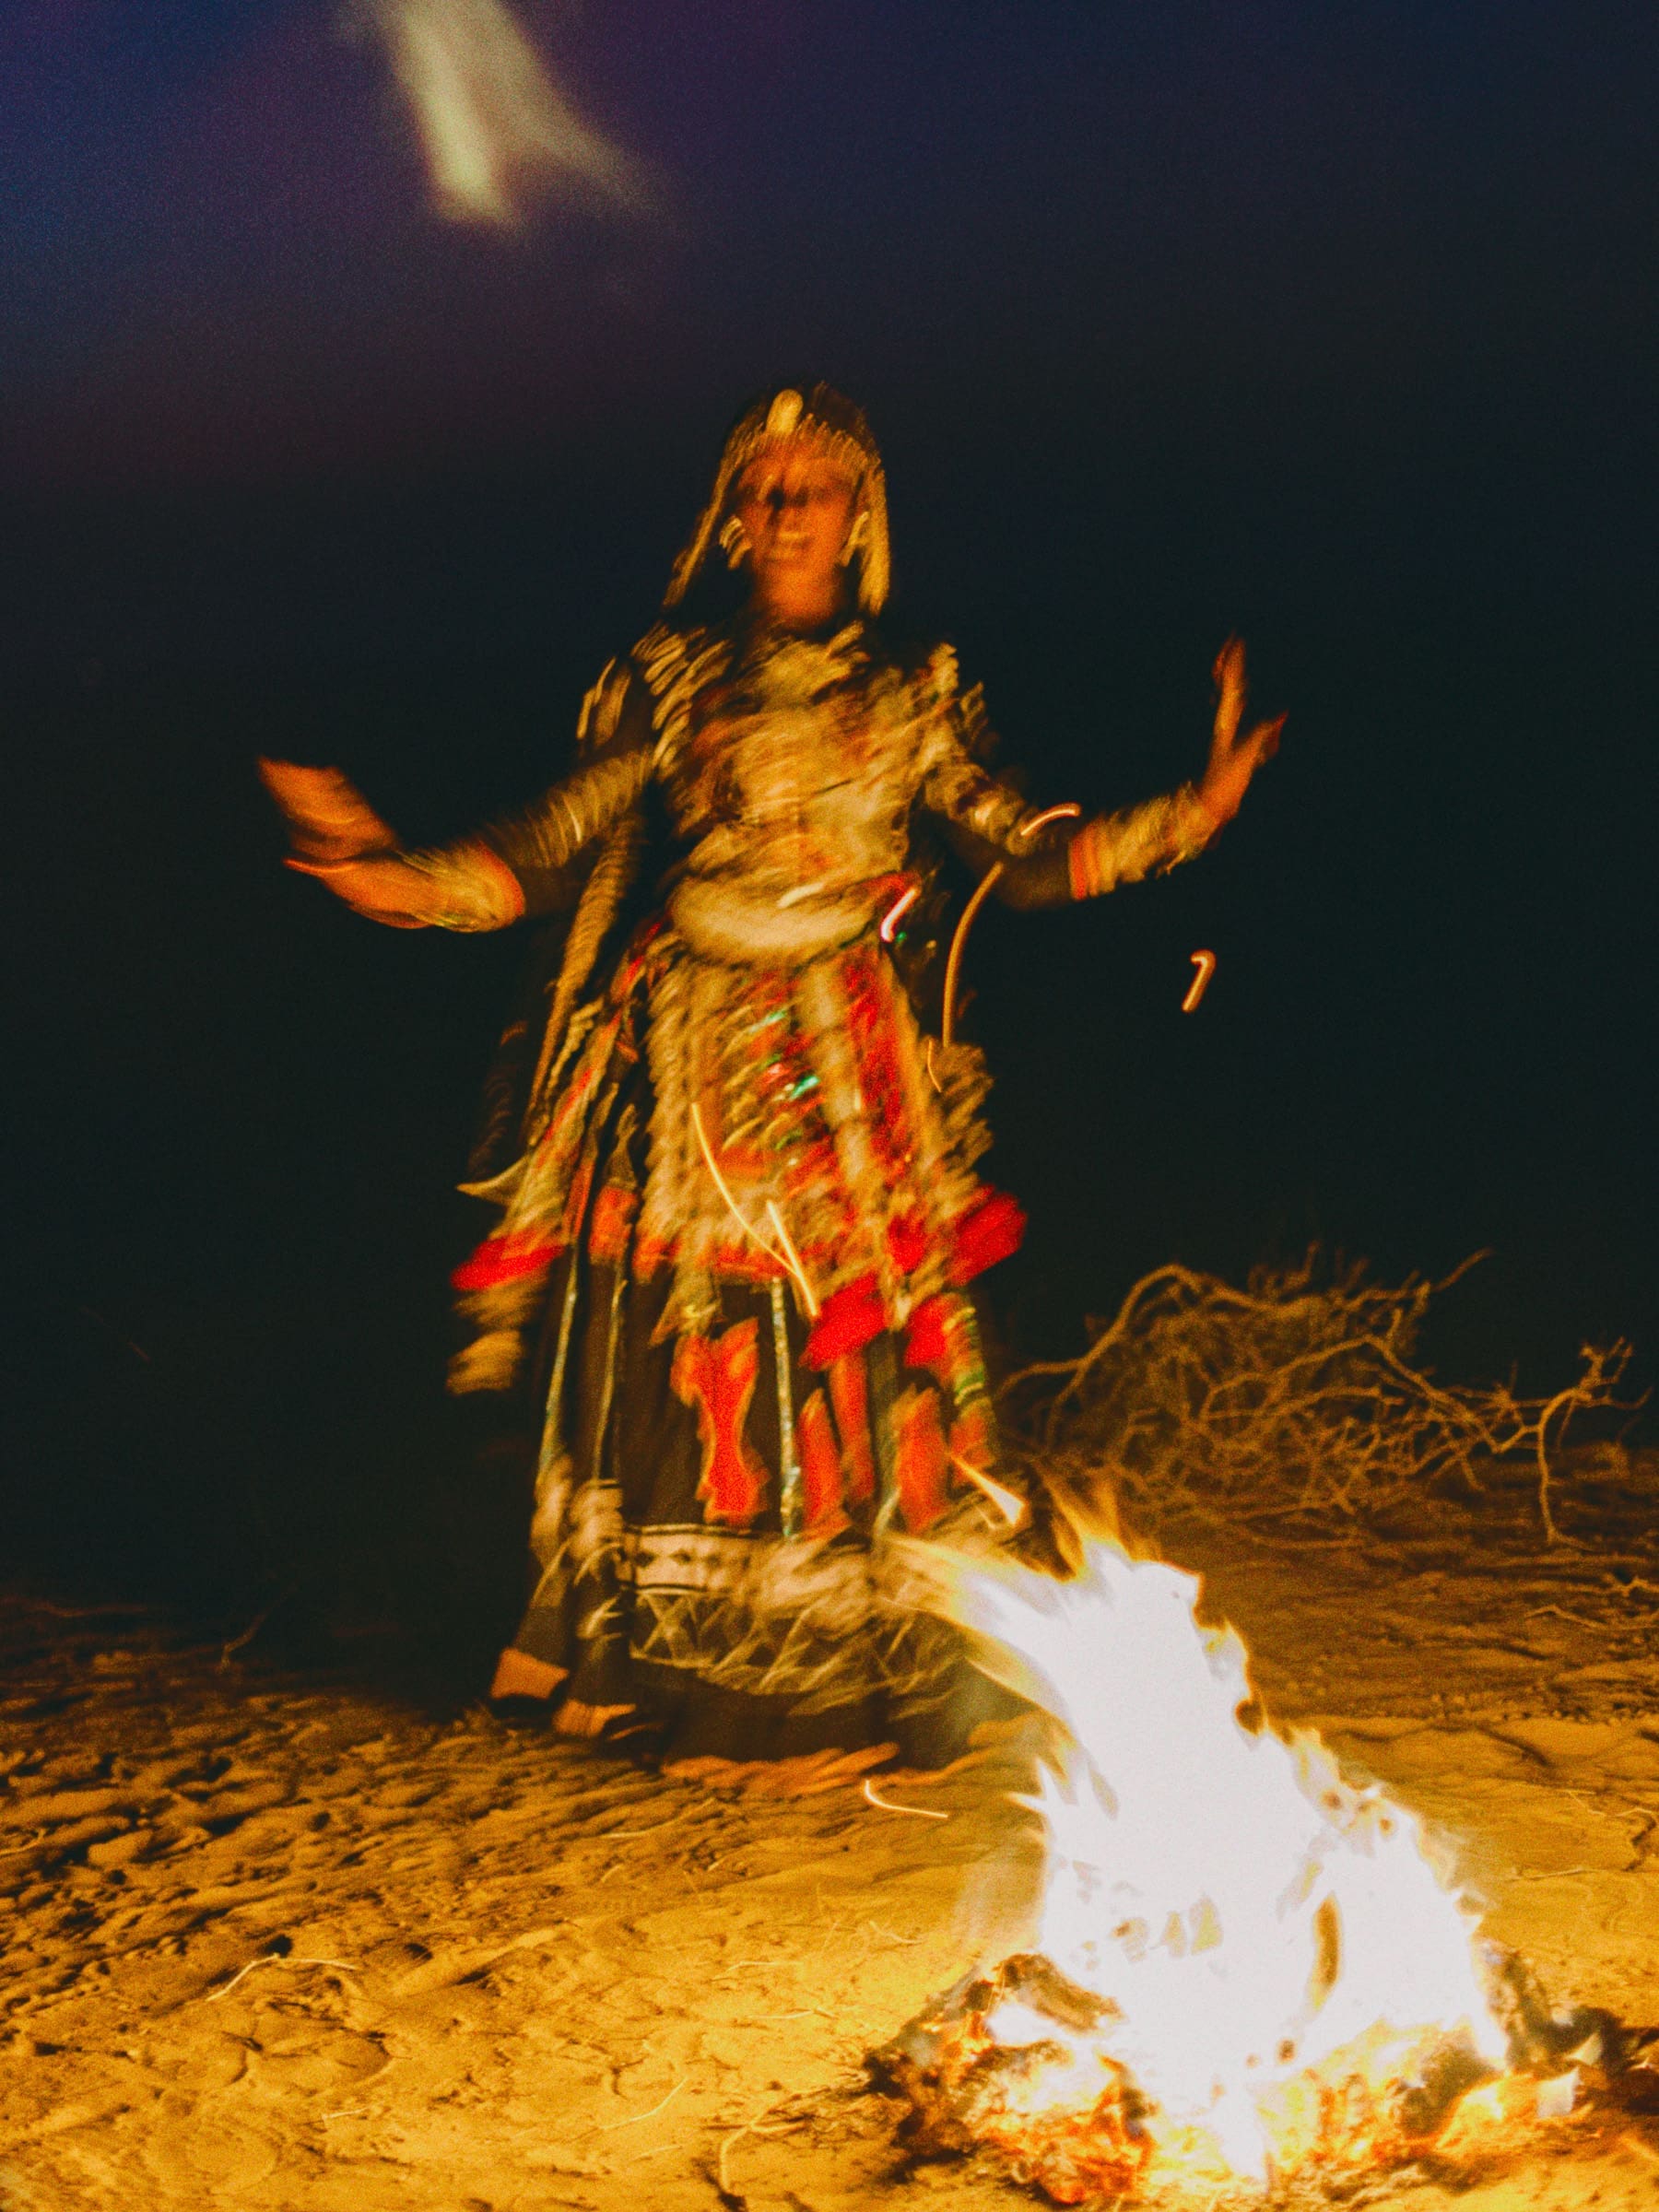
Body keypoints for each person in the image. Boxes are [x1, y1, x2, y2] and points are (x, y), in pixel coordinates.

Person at [262, 384, 1279, 1781]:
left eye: (817, 486)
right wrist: (397, 881)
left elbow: (1018, 852)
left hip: (848, 1076)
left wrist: (1195, 812)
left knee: (846, 1356)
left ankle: (857, 1684)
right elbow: (553, 844)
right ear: (732, 522)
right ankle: (669, 1683)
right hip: (685, 1068)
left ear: (863, 519)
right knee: (694, 1357)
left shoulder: (914, 693)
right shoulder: (672, 683)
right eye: (766, 486)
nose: (790, 507)